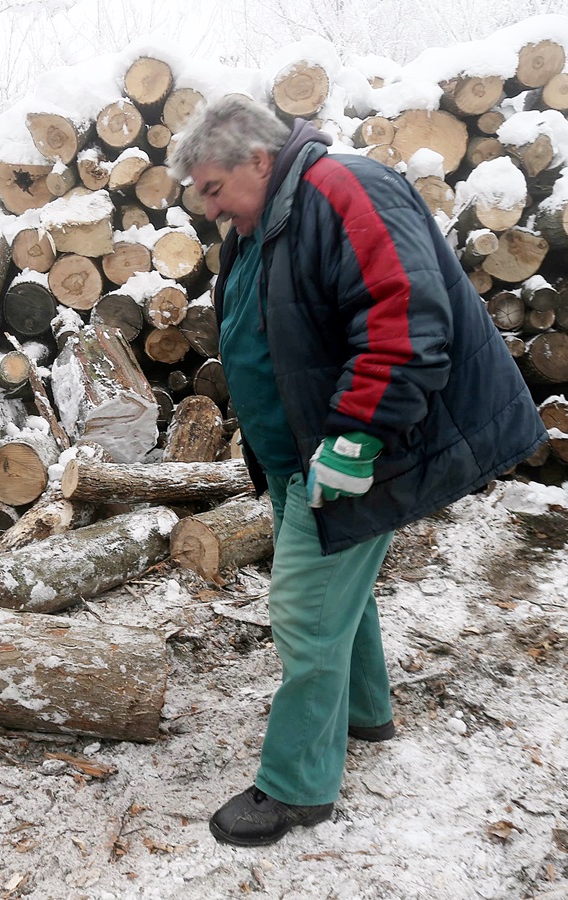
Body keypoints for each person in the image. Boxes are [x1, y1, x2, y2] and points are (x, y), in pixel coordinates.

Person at [169, 96, 545, 846]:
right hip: (296, 456)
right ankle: (367, 714)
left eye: (213, 189)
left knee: (305, 612)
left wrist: (355, 438)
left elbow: (403, 317)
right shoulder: (265, 220)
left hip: (348, 450)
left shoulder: (344, 188)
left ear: (256, 158)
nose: (211, 210)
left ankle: (298, 787)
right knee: (343, 593)